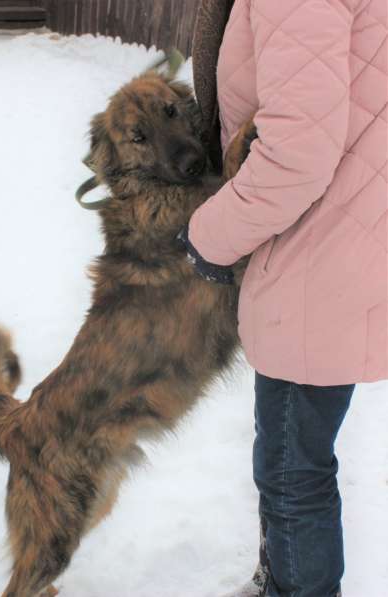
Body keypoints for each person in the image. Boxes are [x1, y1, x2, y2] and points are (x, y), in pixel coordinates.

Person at [178, 1, 388, 595]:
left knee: (294, 470)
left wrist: (210, 237)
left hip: (323, 252)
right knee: (297, 458)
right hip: (348, 235)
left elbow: (297, 153)